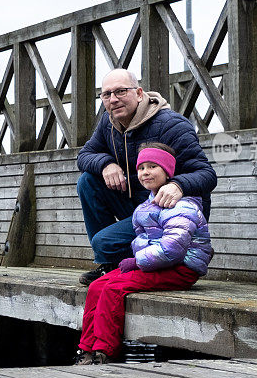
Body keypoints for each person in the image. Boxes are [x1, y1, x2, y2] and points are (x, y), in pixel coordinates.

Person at [74, 142, 213, 365]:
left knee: (114, 288)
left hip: (181, 268)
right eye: (141, 168)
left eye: (152, 167)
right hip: (157, 264)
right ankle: (86, 348)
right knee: (97, 285)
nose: (145, 172)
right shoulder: (146, 207)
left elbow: (173, 248)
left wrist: (137, 262)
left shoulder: (182, 206)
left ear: (168, 172)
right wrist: (136, 260)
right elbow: (142, 240)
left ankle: (104, 351)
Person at [76, 69, 216, 285]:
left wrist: (178, 185)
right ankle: (110, 264)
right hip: (138, 208)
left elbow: (206, 174)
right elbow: (84, 155)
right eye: (107, 94)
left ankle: (133, 259)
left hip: (170, 214)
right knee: (88, 180)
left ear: (139, 93)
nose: (113, 100)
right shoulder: (108, 123)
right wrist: (106, 164)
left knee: (104, 242)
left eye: (121, 91)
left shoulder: (172, 125)